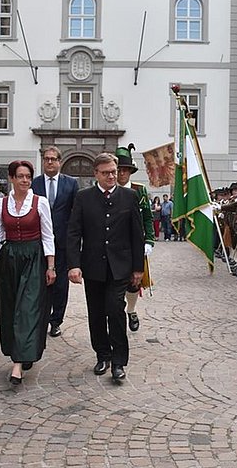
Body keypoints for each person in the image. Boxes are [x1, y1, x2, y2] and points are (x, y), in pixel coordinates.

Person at [67, 153, 144, 383]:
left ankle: (119, 362)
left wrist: (138, 268)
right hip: (93, 266)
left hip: (121, 267)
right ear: (96, 174)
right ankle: (103, 355)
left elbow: (136, 234)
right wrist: (74, 265)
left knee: (115, 311)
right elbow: (73, 232)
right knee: (97, 314)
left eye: (114, 171)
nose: (112, 176)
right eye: (106, 173)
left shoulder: (129, 196)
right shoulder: (83, 198)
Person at [0, 160, 55, 384]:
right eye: (20, 176)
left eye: (28, 176)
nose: (25, 180)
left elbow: (48, 236)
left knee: (27, 308)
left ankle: (18, 364)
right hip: (10, 258)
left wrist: (51, 266)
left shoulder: (40, 202)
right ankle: (20, 352)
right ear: (12, 178)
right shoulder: (0, 203)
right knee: (10, 306)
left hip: (34, 258)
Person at [31, 146, 78, 338]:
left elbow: (75, 213)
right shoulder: (34, 183)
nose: (49, 162)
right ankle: (41, 318)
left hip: (63, 241)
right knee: (40, 281)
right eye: (46, 159)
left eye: (53, 159)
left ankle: (56, 320)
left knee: (60, 284)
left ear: (59, 161)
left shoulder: (71, 184)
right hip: (39, 241)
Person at [115, 144, 155, 332]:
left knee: (134, 282)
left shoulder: (139, 190)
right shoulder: (109, 190)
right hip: (114, 244)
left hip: (134, 244)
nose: (121, 174)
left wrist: (149, 241)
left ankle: (131, 310)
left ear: (130, 172)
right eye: (119, 170)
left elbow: (147, 217)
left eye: (125, 170)